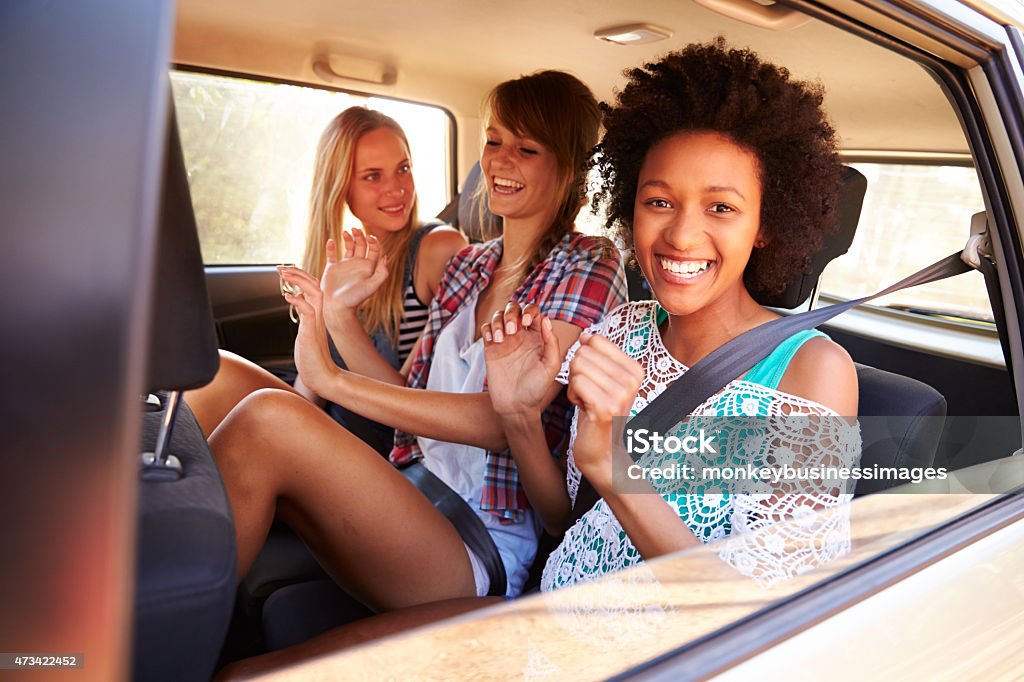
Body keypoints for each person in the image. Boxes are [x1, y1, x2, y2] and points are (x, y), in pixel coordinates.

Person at [208, 70, 628, 614]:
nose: (500, 161)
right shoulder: (468, 266)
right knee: (218, 374)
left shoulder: (589, 263)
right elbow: (408, 399)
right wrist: (336, 314)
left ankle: (157, 633)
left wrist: (332, 378)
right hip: (409, 484)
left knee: (267, 418)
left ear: (569, 167)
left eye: (526, 148)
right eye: (494, 141)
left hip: (476, 539)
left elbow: (499, 422)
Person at [481, 39, 861, 592]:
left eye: (721, 208)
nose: (681, 236)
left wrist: (617, 469)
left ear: (765, 226)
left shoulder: (813, 373)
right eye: (659, 201)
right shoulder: (619, 331)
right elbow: (572, 526)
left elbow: (763, 614)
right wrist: (518, 415)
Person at [186, 107, 467, 453]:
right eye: (372, 176)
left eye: (403, 169)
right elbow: (311, 391)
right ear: (340, 185)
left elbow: (408, 408)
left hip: (381, 447)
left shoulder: (438, 248)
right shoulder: (343, 257)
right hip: (332, 427)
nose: (396, 189)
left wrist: (339, 315)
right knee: (214, 375)